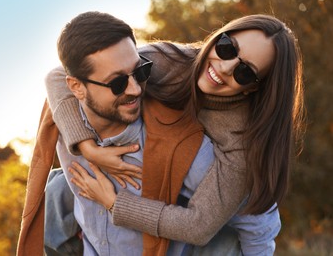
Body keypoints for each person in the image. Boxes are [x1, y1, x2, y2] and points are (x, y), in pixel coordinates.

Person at [44, 14, 304, 255]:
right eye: (227, 47)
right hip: (170, 182)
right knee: (58, 186)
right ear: (218, 37)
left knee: (228, 241)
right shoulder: (169, 61)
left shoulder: (240, 141)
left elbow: (199, 226)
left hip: (230, 211)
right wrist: (88, 147)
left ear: (254, 89)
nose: (224, 67)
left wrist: (115, 204)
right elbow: (63, 74)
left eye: (245, 72)